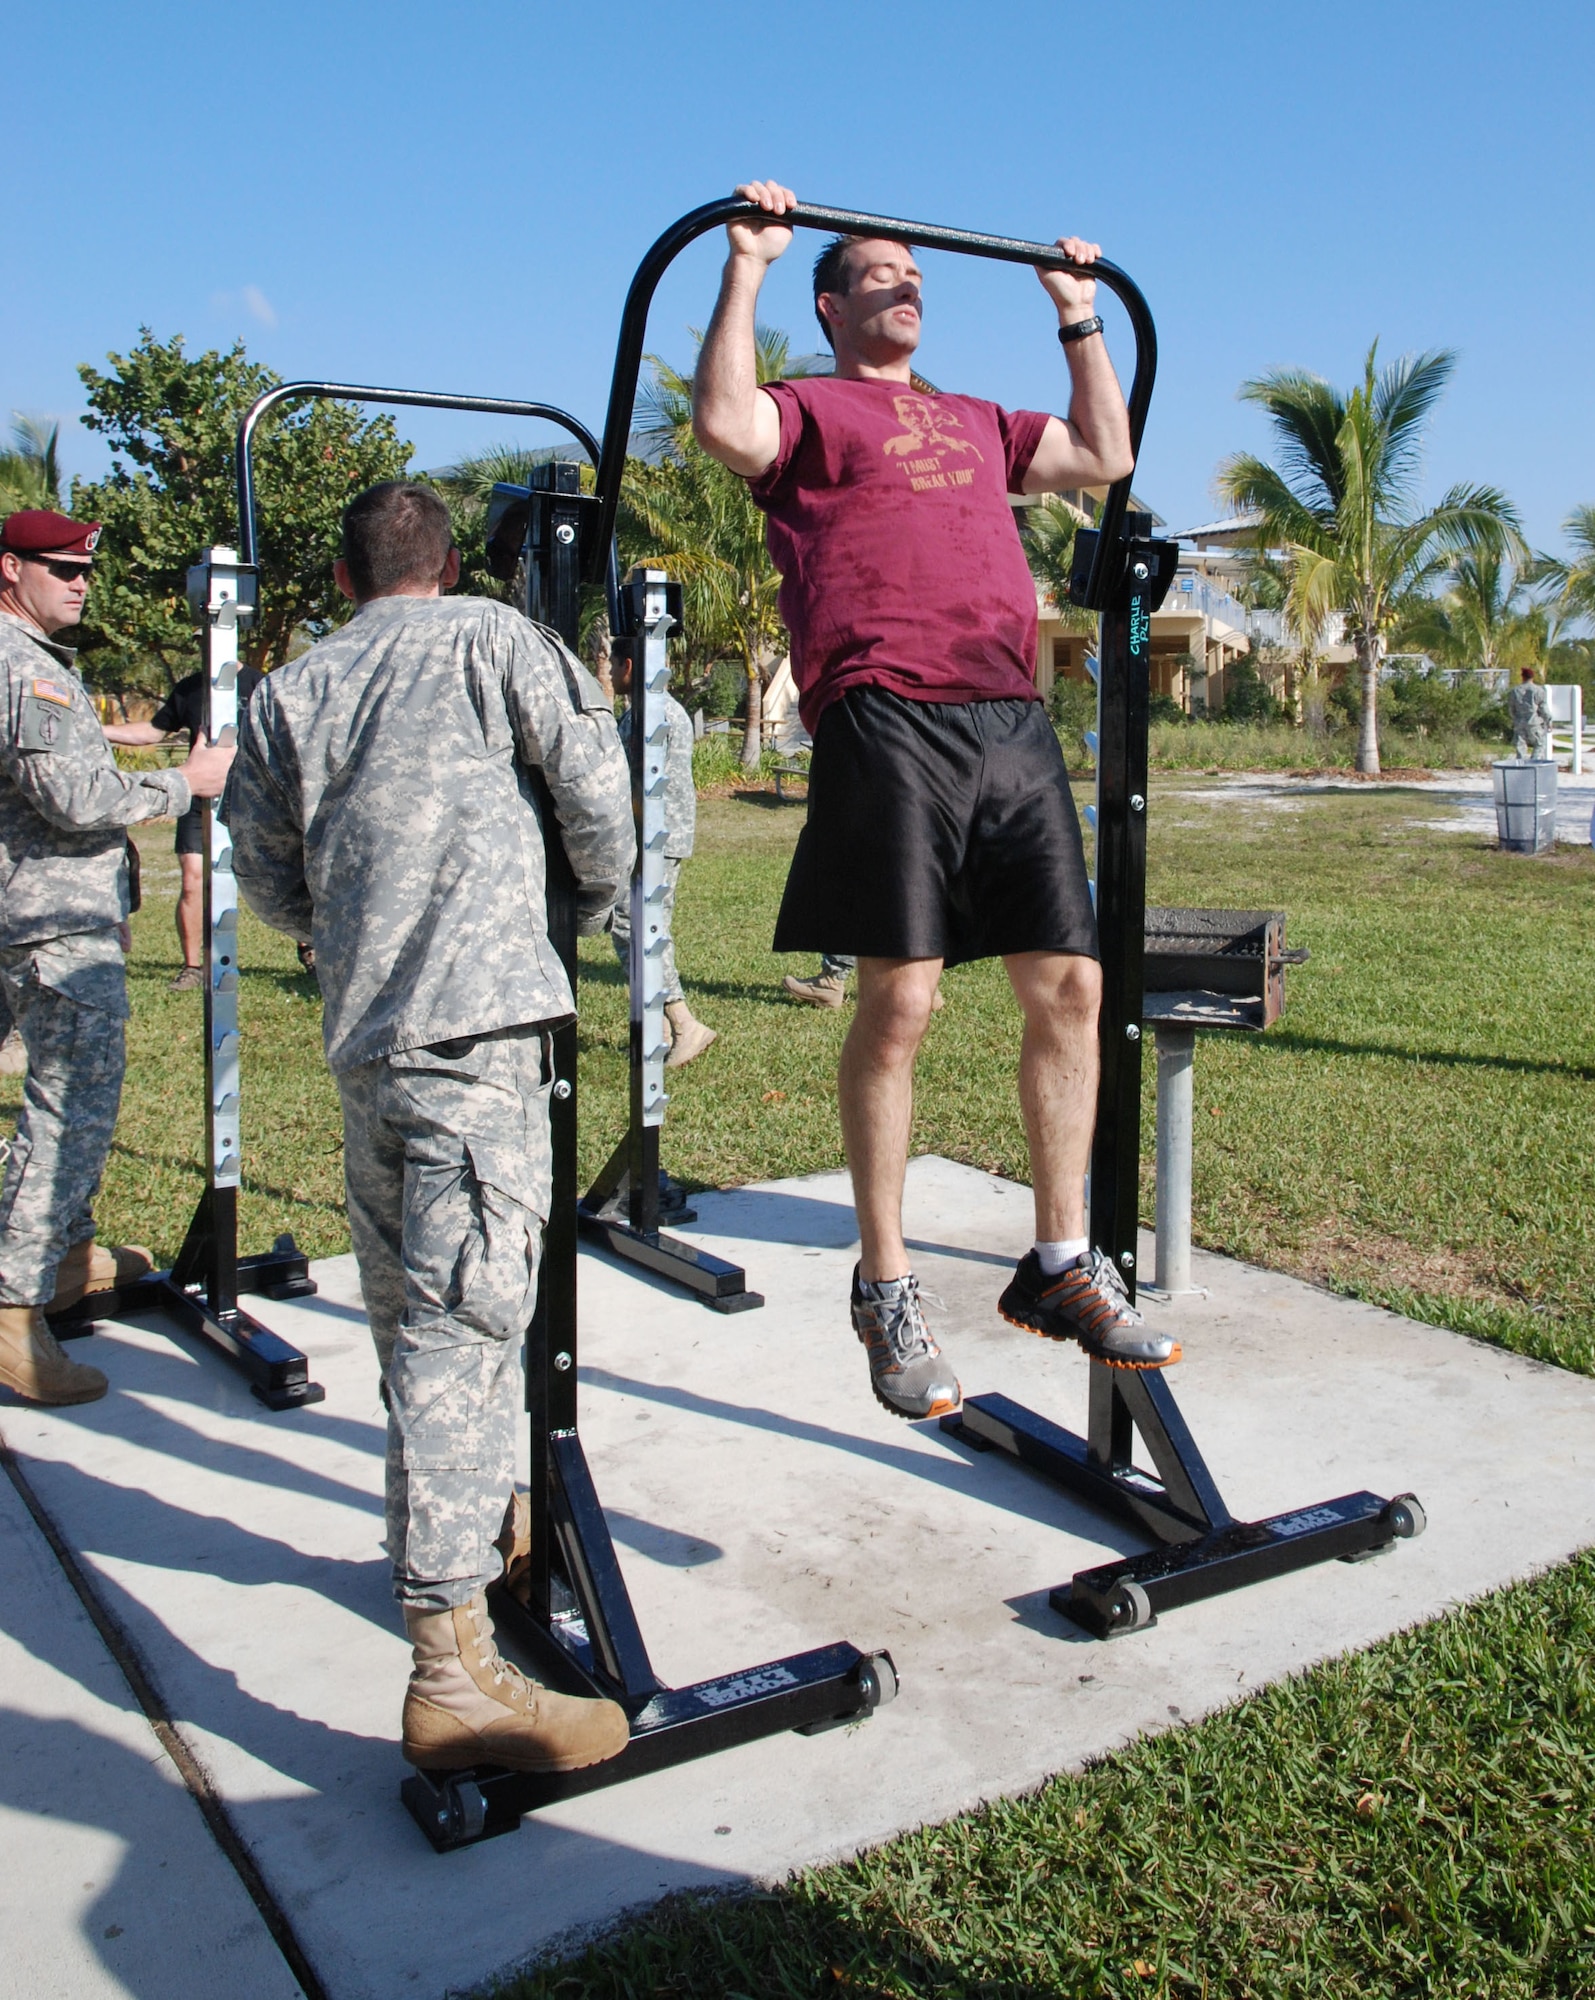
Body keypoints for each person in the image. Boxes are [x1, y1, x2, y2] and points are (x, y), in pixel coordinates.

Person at [693, 180, 1179, 1420]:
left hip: (1004, 709)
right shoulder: (808, 407)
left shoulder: (973, 416)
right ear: (832, 303)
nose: (905, 286)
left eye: (917, 276)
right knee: (899, 997)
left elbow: (1102, 454)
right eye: (877, 275)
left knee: (1069, 983)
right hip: (883, 706)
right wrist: (747, 263)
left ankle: (1058, 1261)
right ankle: (886, 1283)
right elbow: (725, 424)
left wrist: (1077, 315)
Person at [225, 481, 634, 1778]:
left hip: (369, 1048)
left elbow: (263, 873)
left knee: (413, 1329)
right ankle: (451, 1668)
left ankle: (448, 1556)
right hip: (476, 1039)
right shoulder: (500, 641)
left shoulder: (290, 691)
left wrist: (353, 938)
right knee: (464, 1331)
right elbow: (599, 801)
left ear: (343, 580)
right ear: (452, 564)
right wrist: (570, 901)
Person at [0, 508, 234, 1406]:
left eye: (83, 568)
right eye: (59, 567)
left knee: (72, 1101)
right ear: (10, 569)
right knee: (69, 1111)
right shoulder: (28, 671)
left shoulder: (39, 662)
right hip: (50, 926)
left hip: (56, 914)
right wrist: (187, 782)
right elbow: (70, 797)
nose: (79, 580)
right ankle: (15, 1307)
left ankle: (62, 1257)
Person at [103, 663, 265, 989]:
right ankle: (193, 968)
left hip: (255, 792)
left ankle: (310, 951)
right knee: (192, 880)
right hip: (200, 795)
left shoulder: (259, 683)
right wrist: (98, 729)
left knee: (287, 870)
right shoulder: (191, 688)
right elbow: (153, 731)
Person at [607, 634, 717, 1066]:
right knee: (639, 926)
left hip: (654, 838)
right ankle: (666, 1025)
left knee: (637, 928)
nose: (611, 673)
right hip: (659, 837)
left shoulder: (650, 714)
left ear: (629, 665)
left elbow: (631, 782)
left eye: (614, 664)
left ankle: (684, 1023)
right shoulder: (660, 709)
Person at [1508, 668, 1553, 761]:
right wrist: (1548, 720)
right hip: (1534, 723)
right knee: (1539, 744)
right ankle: (1534, 763)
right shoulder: (1538, 690)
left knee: (1520, 747)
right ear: (1532, 677)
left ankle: (1521, 766)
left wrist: (1515, 719)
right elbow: (1543, 708)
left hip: (1519, 723)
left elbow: (1511, 709)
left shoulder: (1515, 691)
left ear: (1523, 677)